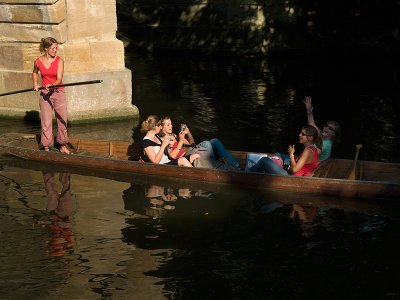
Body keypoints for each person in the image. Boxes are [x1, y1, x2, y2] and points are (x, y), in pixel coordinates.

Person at [32, 37, 71, 154]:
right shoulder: (38, 61)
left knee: (62, 119)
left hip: (58, 92)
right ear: (46, 49)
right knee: (46, 121)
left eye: (56, 48)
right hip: (44, 94)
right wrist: (35, 84)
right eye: (53, 48)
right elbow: (34, 72)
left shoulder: (60, 61)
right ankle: (46, 146)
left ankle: (62, 145)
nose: (55, 50)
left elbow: (59, 79)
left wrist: (52, 85)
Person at [159, 116, 240, 169]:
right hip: (187, 156)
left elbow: (192, 143)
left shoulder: (174, 135)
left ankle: (235, 165)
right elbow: (173, 156)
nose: (171, 126)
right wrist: (180, 140)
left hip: (191, 149)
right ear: (162, 127)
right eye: (168, 125)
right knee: (207, 144)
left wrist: (188, 133)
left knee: (214, 141)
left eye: (171, 124)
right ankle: (214, 166)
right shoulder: (165, 140)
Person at [250, 125, 322, 176]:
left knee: (264, 160)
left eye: (303, 134)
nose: (299, 135)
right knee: (278, 154)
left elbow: (294, 170)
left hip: (291, 177)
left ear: (310, 138)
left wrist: (291, 155)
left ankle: (249, 174)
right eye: (300, 133)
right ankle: (260, 170)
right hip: (294, 171)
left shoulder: (308, 151)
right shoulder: (312, 148)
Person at [303, 96, 341, 161]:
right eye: (326, 125)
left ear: (333, 134)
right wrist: (309, 110)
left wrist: (305, 141)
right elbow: (312, 125)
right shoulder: (322, 136)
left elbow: (309, 156)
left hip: (313, 167)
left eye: (330, 128)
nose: (326, 128)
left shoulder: (325, 145)